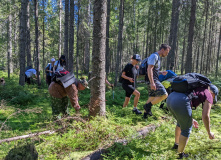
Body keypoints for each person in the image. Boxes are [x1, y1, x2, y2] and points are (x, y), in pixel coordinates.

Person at [166, 84, 219, 159]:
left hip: (170, 98)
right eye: (214, 97)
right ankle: (180, 155)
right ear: (212, 93)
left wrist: (190, 119)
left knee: (180, 122)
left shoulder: (198, 88)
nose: (213, 99)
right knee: (186, 129)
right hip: (180, 101)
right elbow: (205, 116)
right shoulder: (208, 94)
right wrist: (209, 132)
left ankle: (176, 145)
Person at [143, 44, 171, 119]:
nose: (167, 54)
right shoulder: (154, 56)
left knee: (152, 97)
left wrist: (161, 72)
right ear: (162, 50)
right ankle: (147, 106)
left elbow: (153, 70)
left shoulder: (157, 57)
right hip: (153, 80)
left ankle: (145, 115)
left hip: (152, 79)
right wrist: (152, 82)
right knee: (164, 95)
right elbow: (149, 69)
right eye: (167, 52)